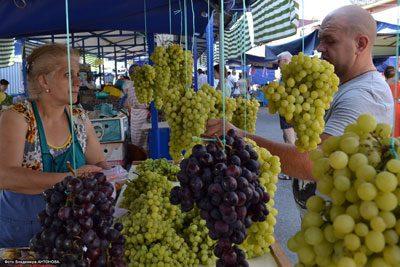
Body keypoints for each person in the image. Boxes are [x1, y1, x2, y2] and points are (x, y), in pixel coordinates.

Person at [205, 5, 394, 214]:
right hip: (324, 225)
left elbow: (312, 163)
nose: (320, 48)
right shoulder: (342, 85)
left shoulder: (363, 96)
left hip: (341, 233)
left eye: (330, 40)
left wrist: (240, 136)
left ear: (360, 44)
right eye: (320, 39)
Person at [0, 44, 109, 247]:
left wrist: (109, 177)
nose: (79, 82)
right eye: (68, 75)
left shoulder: (79, 118)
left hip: (70, 229)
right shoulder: (18, 117)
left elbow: (100, 162)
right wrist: (69, 179)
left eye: (78, 74)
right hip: (22, 230)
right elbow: (4, 176)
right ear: (43, 81)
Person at [275, 52, 296, 180]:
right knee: (288, 138)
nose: (278, 65)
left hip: (288, 112)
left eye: (279, 62)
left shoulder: (290, 75)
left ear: (285, 60)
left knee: (290, 142)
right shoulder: (288, 74)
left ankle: (291, 172)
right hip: (287, 111)